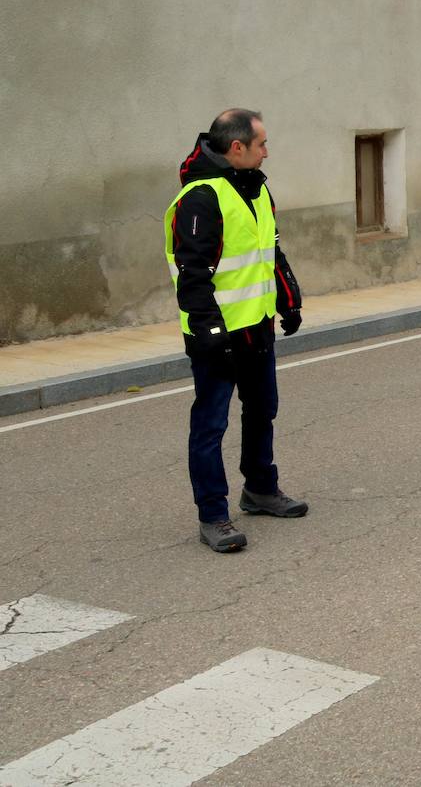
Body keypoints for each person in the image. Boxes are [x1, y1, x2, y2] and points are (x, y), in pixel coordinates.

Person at [164, 109, 307, 553]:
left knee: (263, 409)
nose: (268, 150)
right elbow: (192, 275)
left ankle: (261, 490)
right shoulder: (201, 198)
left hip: (256, 327)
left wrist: (289, 299)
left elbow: (271, 252)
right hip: (217, 336)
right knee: (210, 425)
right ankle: (213, 515)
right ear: (238, 147)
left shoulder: (256, 187)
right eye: (262, 143)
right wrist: (210, 335)